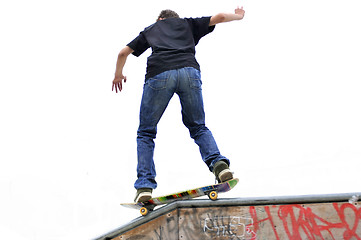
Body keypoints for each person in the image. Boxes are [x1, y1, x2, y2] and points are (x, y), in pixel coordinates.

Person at [113, 7, 245, 203]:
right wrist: (239, 16)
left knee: (146, 132)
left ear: (160, 19)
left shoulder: (151, 29)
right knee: (198, 126)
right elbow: (221, 17)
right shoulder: (188, 23)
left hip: (159, 75)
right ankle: (219, 165)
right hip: (189, 72)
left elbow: (123, 53)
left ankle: (144, 186)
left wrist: (118, 74)